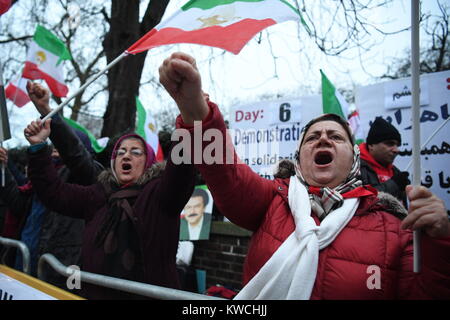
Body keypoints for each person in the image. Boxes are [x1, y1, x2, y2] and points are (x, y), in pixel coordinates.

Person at [159, 52, 450, 299]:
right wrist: (195, 109)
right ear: (300, 158)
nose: (323, 139)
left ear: (354, 158)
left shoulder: (394, 229)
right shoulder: (272, 200)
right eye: (312, 138)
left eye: (335, 136)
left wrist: (441, 242)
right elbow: (226, 171)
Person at [25, 118, 196, 299]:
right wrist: (38, 148)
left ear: (149, 162)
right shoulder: (98, 195)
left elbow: (181, 170)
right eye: (120, 152)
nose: (126, 156)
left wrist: (189, 121)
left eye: (136, 152)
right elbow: (54, 193)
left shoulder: (160, 194)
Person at [0, 82, 104, 288]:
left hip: (57, 269)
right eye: (53, 145)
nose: (55, 148)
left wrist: (47, 111)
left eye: (60, 145)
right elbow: (18, 204)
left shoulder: (86, 176)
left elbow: (75, 155)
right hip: (26, 259)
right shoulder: (43, 174)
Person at [359, 117, 410, 204]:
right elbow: (364, 201)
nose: (396, 150)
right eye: (390, 143)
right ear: (371, 145)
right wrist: (394, 185)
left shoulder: (395, 171)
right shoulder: (356, 168)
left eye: (397, 145)